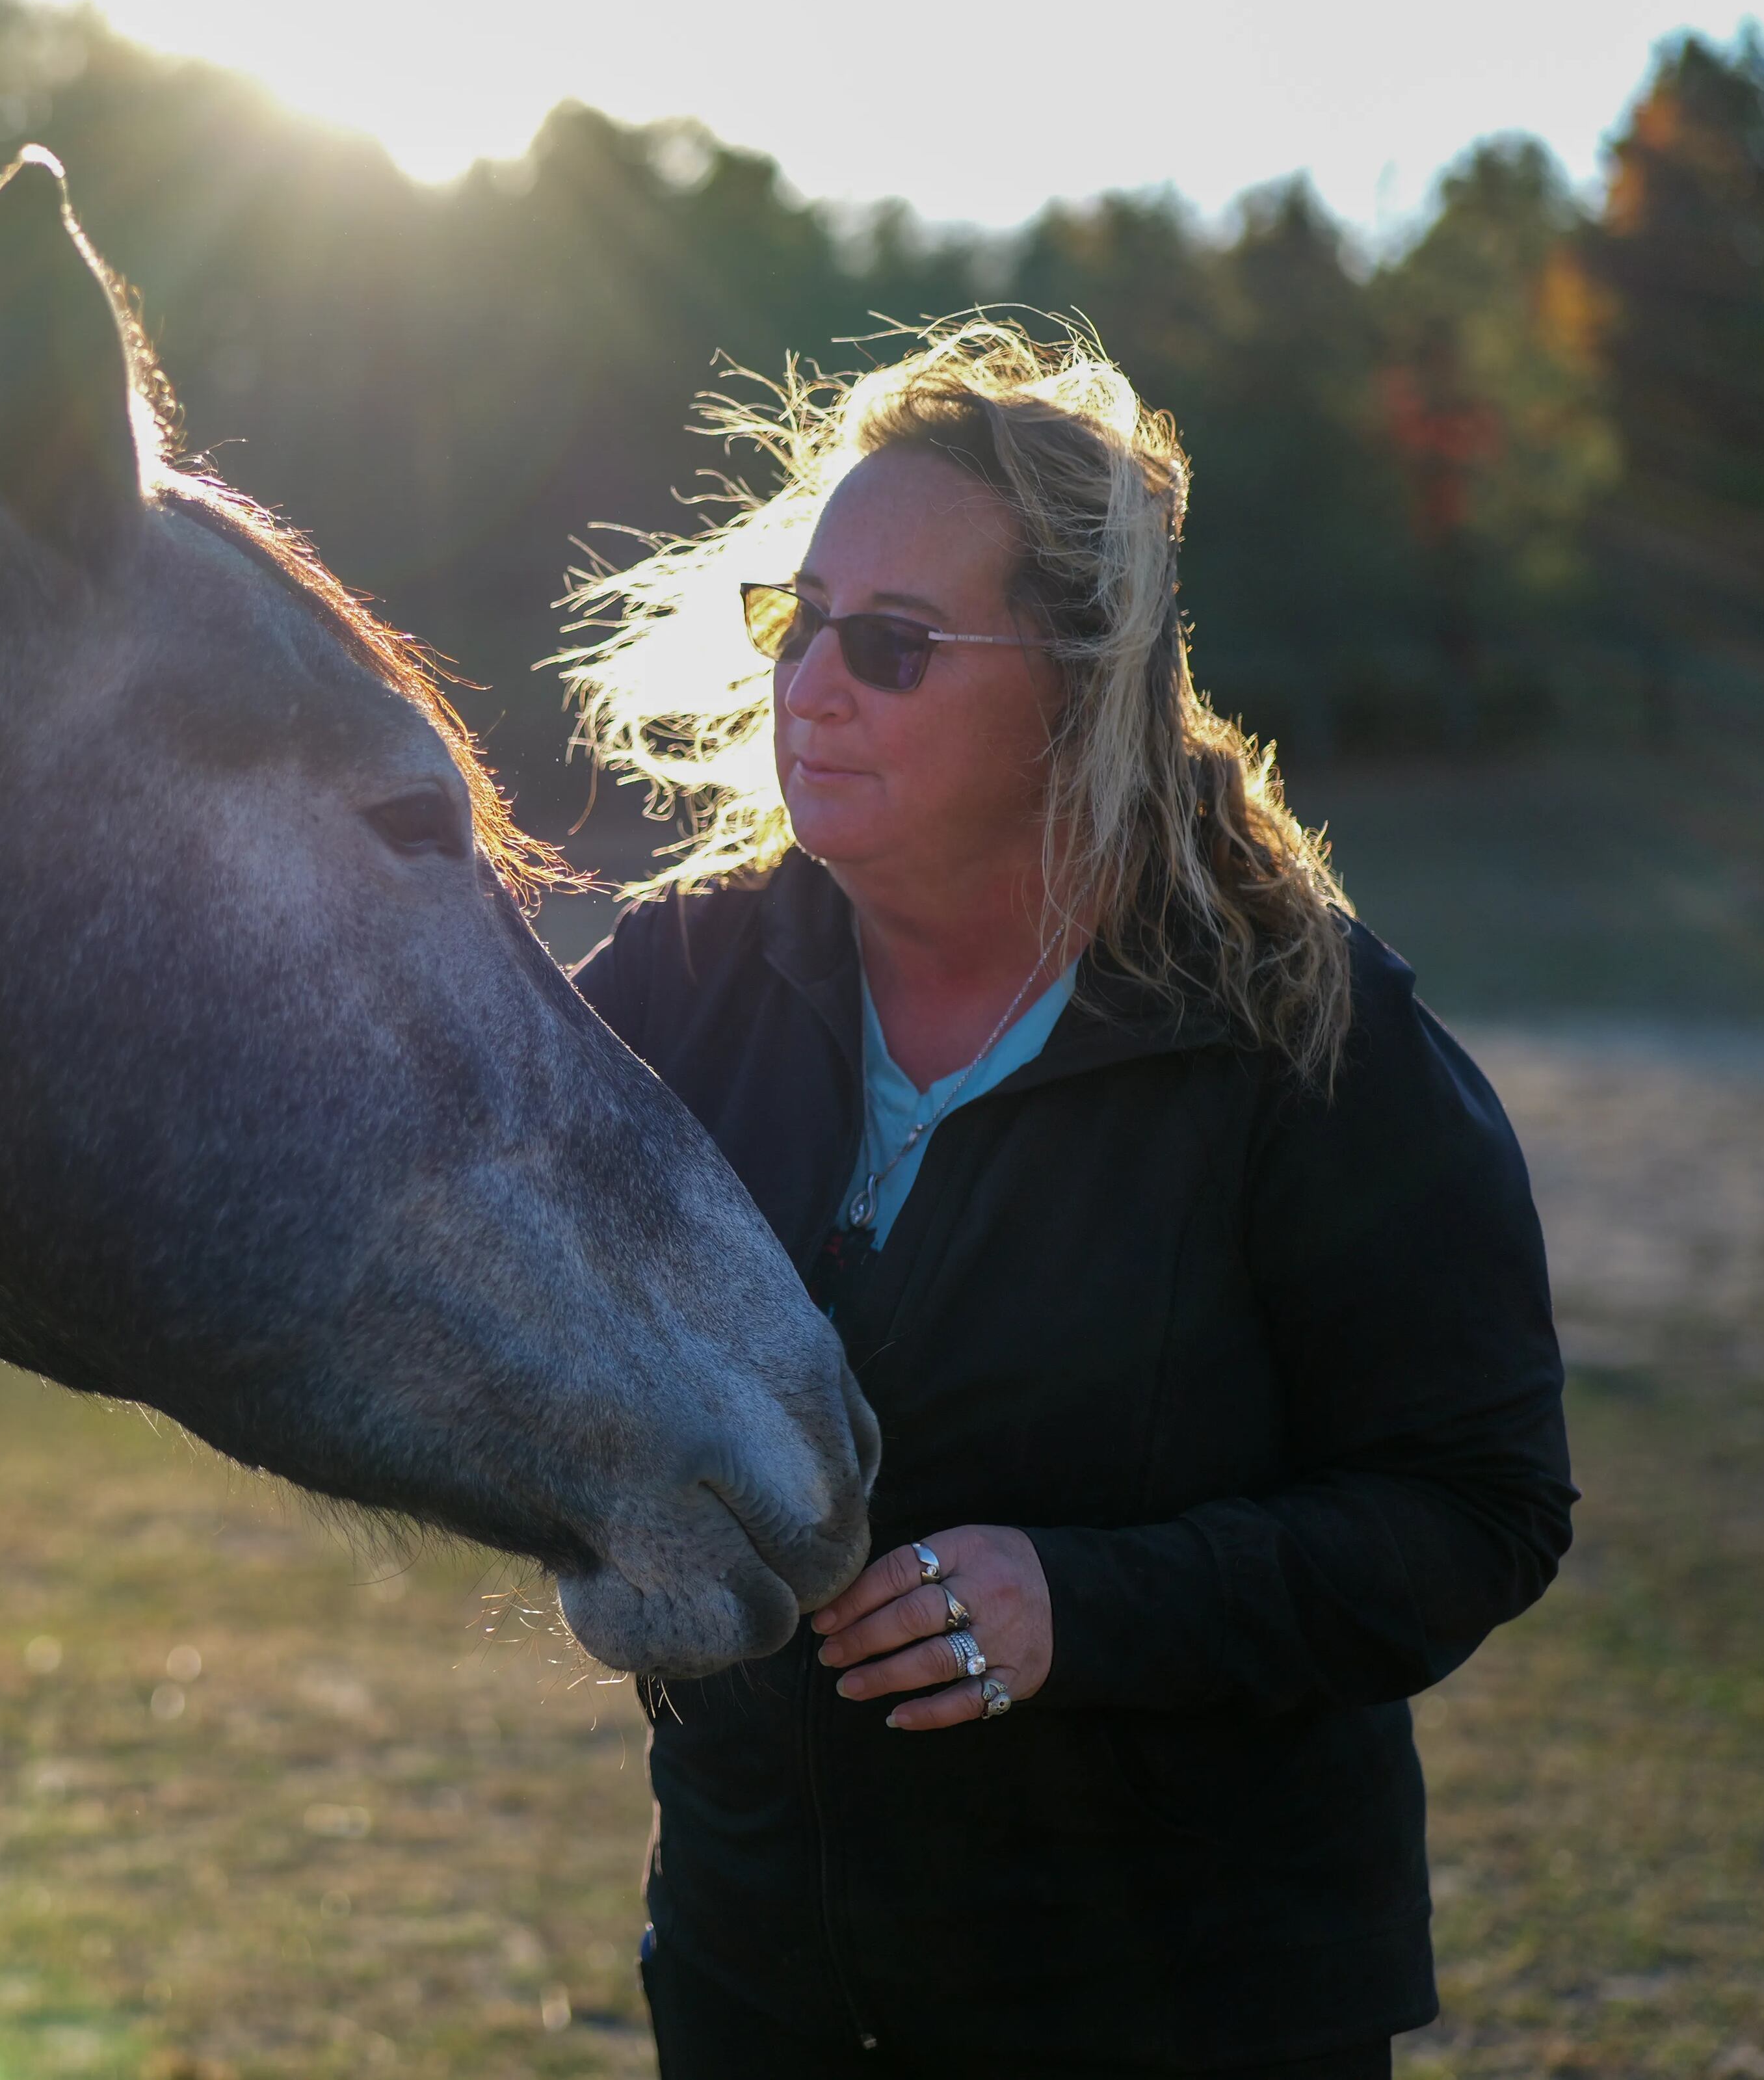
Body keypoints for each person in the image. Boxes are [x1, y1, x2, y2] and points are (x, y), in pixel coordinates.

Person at [560, 323, 1573, 2077]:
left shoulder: (1300, 1036)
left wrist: (1084, 1606)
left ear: (1081, 683)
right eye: (797, 622)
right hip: (759, 1985)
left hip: (1185, 2006)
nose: (814, 683)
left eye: (892, 647)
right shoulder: (684, 985)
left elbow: (1479, 1509)